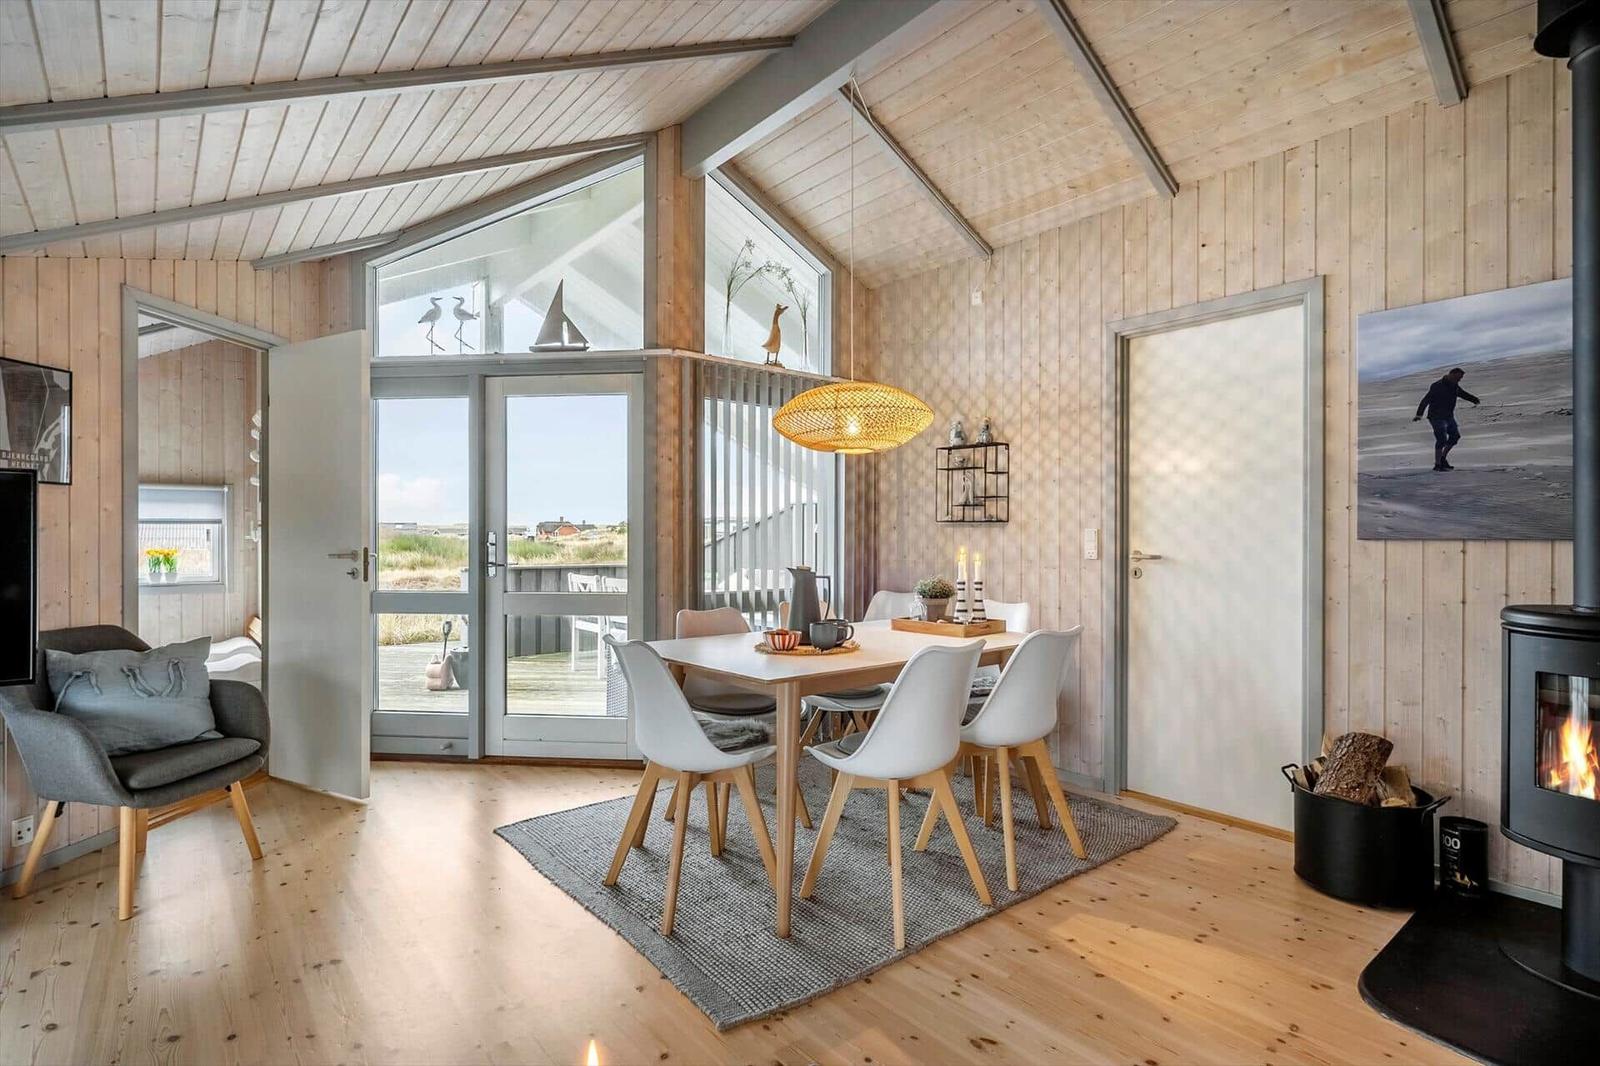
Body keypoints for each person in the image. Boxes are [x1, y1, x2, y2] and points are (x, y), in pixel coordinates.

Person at [1413, 367, 1480, 472]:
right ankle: (1438, 465)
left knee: (1455, 437)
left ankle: (1443, 459)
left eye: (1460, 378)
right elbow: (1426, 399)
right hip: (1436, 417)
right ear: (1451, 374)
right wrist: (1419, 414)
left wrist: (1474, 400)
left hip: (1448, 416)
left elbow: (1463, 394)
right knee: (1441, 439)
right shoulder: (1437, 386)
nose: (1459, 380)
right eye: (1458, 378)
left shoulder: (1454, 386)